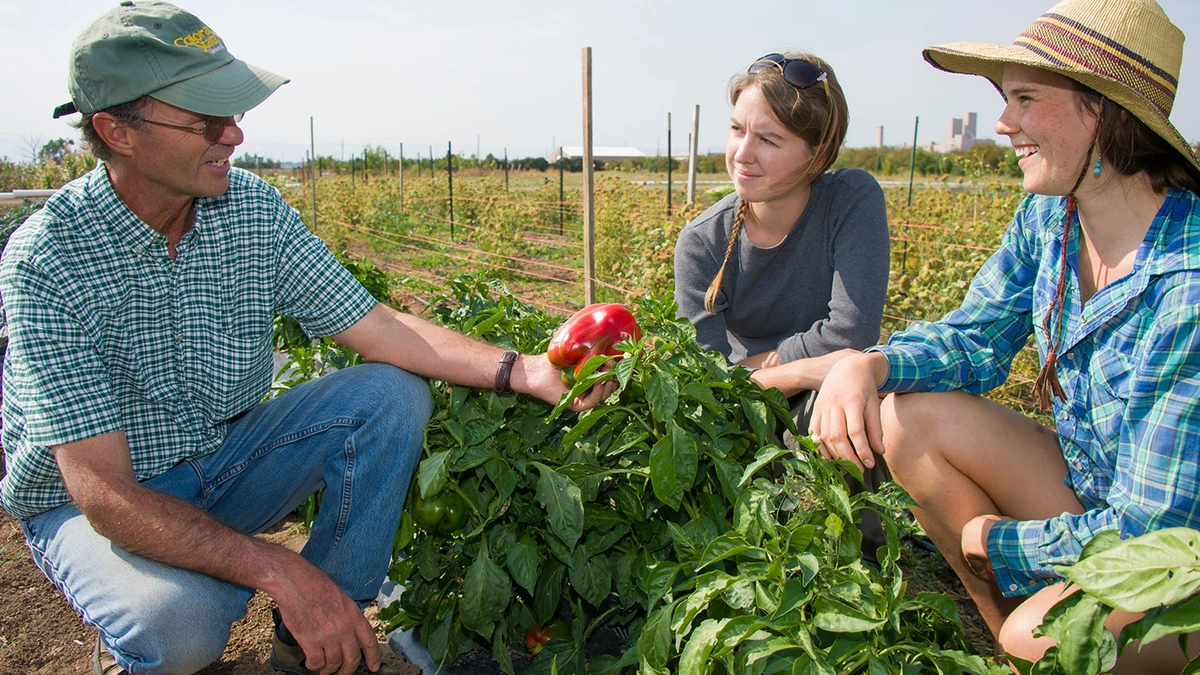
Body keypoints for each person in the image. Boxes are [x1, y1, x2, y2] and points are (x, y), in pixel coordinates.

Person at [0, 3, 612, 675]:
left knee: (388, 395)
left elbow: (376, 326)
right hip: (93, 505)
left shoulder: (250, 209)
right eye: (204, 120)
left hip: (219, 461)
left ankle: (311, 644)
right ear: (117, 131)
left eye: (234, 112)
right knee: (179, 625)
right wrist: (281, 569)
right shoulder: (49, 261)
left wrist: (524, 369)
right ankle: (140, 634)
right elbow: (107, 496)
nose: (234, 134)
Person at [810, 0, 1200, 669]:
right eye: (1005, 99)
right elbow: (976, 338)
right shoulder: (1051, 219)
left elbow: (1152, 532)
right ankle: (1009, 649)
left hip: (1178, 556)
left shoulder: (1186, 282)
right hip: (1095, 492)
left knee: (1040, 638)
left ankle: (1031, 645)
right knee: (908, 420)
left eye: (1026, 99)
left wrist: (997, 541)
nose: (1003, 122)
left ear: (1104, 113)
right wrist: (866, 365)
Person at [673, 51, 891, 555]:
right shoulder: (703, 242)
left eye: (769, 140)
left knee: (848, 407)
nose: (742, 154)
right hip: (743, 413)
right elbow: (706, 384)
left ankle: (860, 555)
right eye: (737, 130)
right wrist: (806, 369)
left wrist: (762, 366)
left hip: (816, 398)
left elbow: (851, 335)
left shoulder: (850, 200)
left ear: (817, 154)